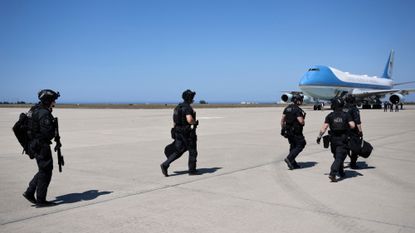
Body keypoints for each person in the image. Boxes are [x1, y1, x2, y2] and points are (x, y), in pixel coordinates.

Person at [22, 89, 60, 206]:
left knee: (43, 169)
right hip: (41, 145)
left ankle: (29, 192)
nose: (54, 102)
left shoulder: (35, 109)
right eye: (53, 100)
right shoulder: (44, 113)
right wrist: (54, 131)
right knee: (46, 171)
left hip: (34, 144)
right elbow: (47, 133)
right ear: (48, 100)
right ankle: (41, 200)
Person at [161, 89, 199, 176]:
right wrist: (195, 122)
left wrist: (175, 129)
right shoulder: (188, 108)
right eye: (192, 97)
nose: (193, 98)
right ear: (189, 98)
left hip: (178, 131)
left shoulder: (177, 107)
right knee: (192, 151)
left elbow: (174, 121)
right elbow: (189, 119)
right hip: (187, 133)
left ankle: (165, 164)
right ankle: (192, 170)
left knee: (179, 150)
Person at [317, 97, 355, 182]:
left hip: (333, 140)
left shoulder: (330, 115)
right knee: (340, 157)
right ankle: (333, 173)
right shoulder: (346, 115)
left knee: (337, 156)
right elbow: (352, 125)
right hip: (343, 139)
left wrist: (319, 137)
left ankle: (341, 172)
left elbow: (324, 128)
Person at [280, 94, 306, 169]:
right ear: (297, 101)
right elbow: (301, 121)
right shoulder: (297, 109)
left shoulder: (287, 108)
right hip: (296, 132)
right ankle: (289, 158)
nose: (301, 102)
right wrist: (303, 120)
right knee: (301, 144)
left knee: (293, 146)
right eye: (300, 100)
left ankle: (293, 163)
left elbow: (282, 120)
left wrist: (283, 129)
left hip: (288, 131)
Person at [343, 94, 363, 169]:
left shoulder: (343, 108)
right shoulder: (354, 109)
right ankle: (353, 163)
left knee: (344, 148)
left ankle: (340, 162)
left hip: (343, 130)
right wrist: (360, 131)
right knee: (355, 148)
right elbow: (357, 121)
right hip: (353, 131)